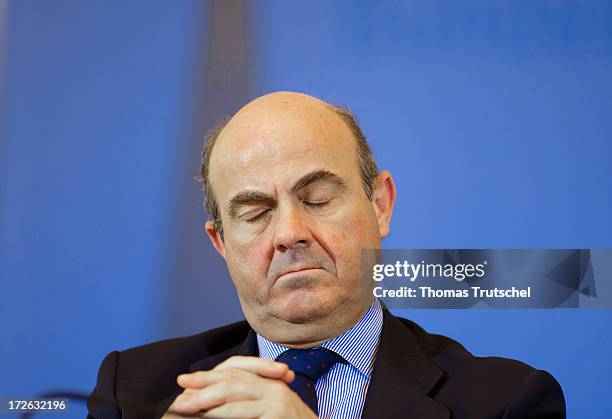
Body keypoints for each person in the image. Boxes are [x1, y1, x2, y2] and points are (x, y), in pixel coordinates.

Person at [87, 92, 566, 419]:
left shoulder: (506, 402)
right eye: (255, 213)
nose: (290, 233)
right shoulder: (134, 390)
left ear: (380, 205)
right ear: (221, 243)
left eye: (317, 199)